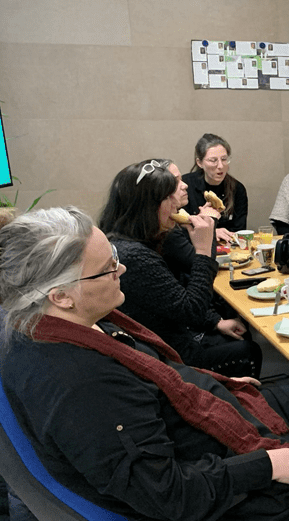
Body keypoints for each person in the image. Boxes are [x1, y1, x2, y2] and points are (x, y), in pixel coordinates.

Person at [0, 207, 289, 521]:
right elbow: (170, 493)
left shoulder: (55, 327)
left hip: (195, 427)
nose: (122, 269)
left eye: (113, 256)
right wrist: (268, 466)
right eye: (107, 268)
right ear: (60, 296)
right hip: (209, 498)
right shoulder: (84, 385)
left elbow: (158, 374)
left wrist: (219, 385)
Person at [98, 160, 262, 378]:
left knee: (239, 334)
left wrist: (215, 321)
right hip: (170, 359)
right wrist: (204, 250)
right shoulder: (134, 257)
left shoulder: (139, 239)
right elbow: (191, 311)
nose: (176, 202)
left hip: (172, 337)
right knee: (248, 351)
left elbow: (172, 300)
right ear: (148, 205)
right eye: (169, 196)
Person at [183, 133, 248, 244]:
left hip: (227, 246)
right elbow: (177, 230)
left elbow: (239, 230)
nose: (220, 166)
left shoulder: (237, 188)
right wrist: (212, 232)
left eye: (224, 159)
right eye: (213, 160)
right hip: (194, 246)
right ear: (199, 163)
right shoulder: (185, 186)